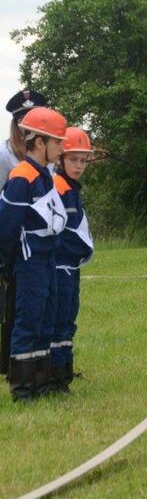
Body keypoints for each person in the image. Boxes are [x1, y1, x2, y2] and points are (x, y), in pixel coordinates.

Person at [0, 107, 68, 401]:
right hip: (29, 263)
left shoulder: (46, 176)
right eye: (57, 142)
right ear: (39, 142)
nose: (62, 148)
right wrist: (7, 264)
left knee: (45, 322)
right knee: (27, 323)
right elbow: (6, 227)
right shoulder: (22, 177)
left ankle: (41, 382)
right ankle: (22, 389)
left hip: (48, 258)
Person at [1, 90, 48, 376]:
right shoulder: (5, 154)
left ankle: (42, 360)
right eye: (21, 118)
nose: (25, 123)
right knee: (12, 304)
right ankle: (10, 362)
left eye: (30, 117)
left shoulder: (49, 154)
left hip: (41, 239)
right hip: (13, 238)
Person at [51, 127, 95, 393]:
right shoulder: (58, 187)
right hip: (59, 266)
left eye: (83, 160)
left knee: (69, 317)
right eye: (73, 159)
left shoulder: (70, 187)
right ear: (60, 159)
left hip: (70, 266)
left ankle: (65, 369)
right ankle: (56, 376)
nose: (79, 165)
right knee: (59, 320)